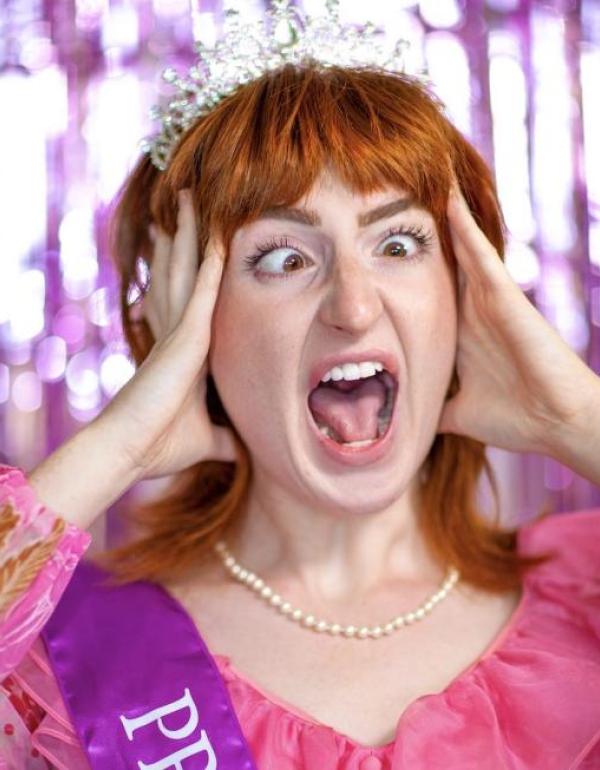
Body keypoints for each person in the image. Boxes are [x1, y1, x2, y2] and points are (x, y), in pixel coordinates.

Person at [1, 9, 600, 769]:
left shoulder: (589, 592)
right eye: (282, 258)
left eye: (397, 243)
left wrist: (579, 420)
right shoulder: (61, 655)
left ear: (466, 292)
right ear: (195, 317)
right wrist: (116, 447)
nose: (354, 306)